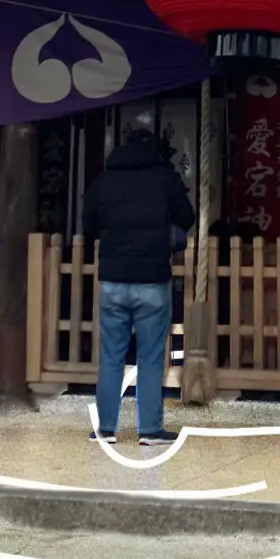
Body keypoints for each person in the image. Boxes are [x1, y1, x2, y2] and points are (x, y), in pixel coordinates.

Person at [82, 125, 195, 445]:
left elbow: (89, 225)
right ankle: (149, 430)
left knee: (111, 357)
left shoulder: (104, 181)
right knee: (150, 357)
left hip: (113, 279)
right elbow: (186, 217)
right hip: (152, 279)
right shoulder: (164, 178)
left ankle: (105, 429)